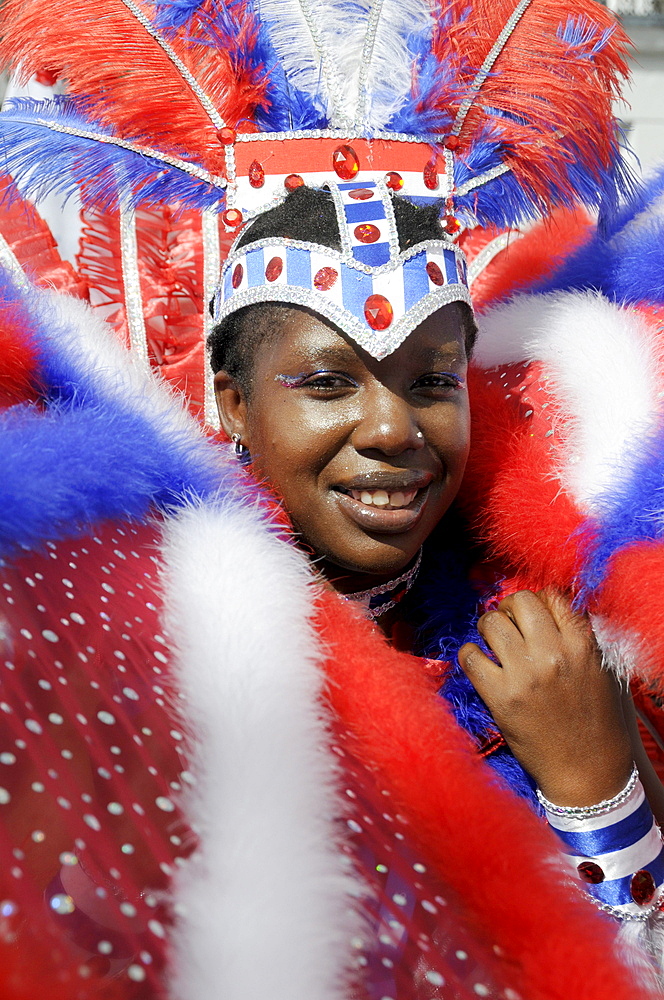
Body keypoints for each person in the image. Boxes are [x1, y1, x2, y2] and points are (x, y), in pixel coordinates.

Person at [0, 1, 663, 997]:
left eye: (431, 379)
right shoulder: (142, 666)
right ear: (233, 399)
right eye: (327, 381)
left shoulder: (563, 646)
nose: (395, 428)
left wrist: (599, 786)